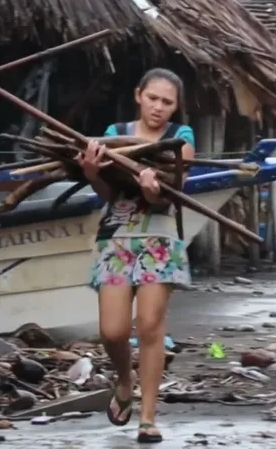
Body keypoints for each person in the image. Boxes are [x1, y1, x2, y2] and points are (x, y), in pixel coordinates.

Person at [77, 68, 195, 443]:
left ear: (176, 107)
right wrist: (93, 172)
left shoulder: (181, 138)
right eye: (153, 98)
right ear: (138, 95)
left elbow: (170, 196)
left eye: (167, 102)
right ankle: (124, 383)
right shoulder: (114, 135)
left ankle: (148, 416)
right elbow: (110, 195)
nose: (159, 108)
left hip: (159, 239)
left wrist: (152, 191)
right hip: (117, 237)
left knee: (148, 326)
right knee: (111, 332)